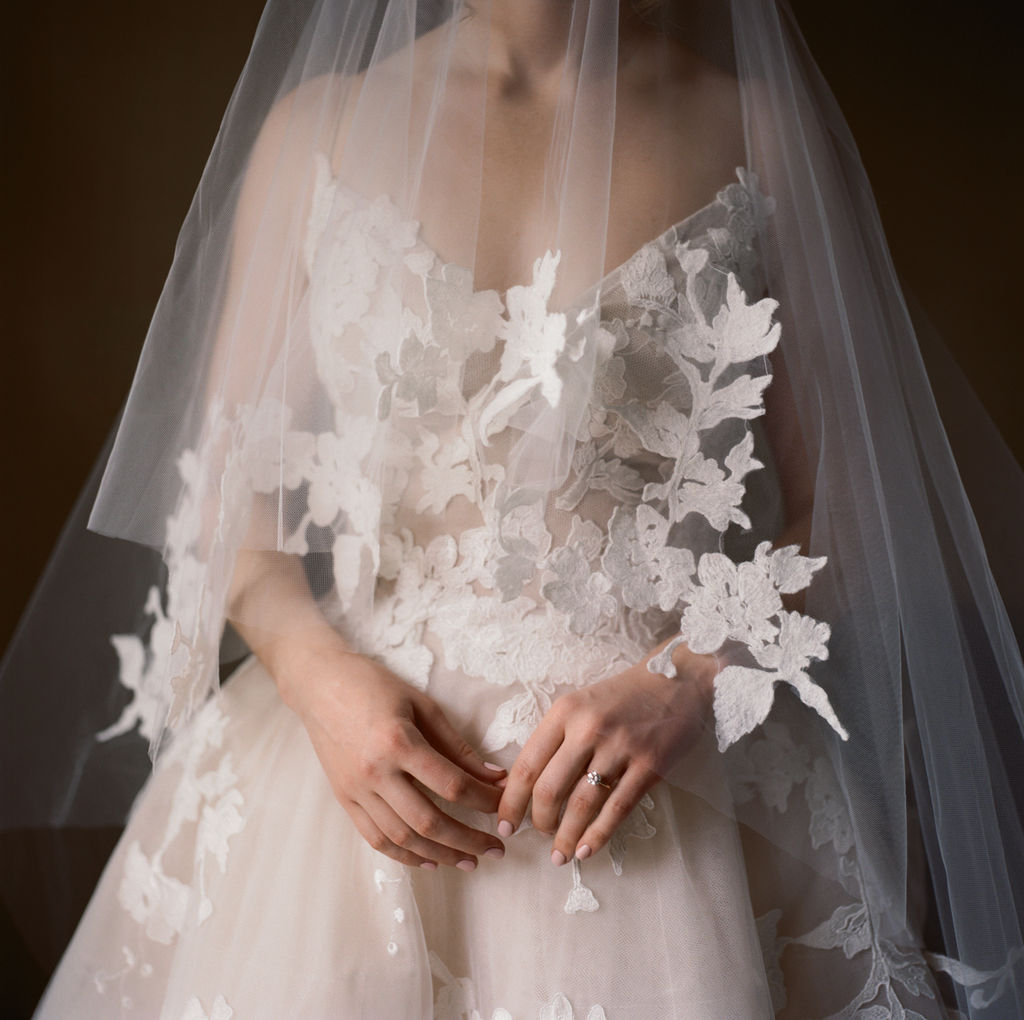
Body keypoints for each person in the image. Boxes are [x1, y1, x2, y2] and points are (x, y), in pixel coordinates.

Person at [4, 0, 1023, 1017]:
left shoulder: (757, 128)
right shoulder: (317, 127)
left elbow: (854, 509)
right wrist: (318, 681)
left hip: (667, 778)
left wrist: (690, 678)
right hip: (356, 770)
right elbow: (227, 504)